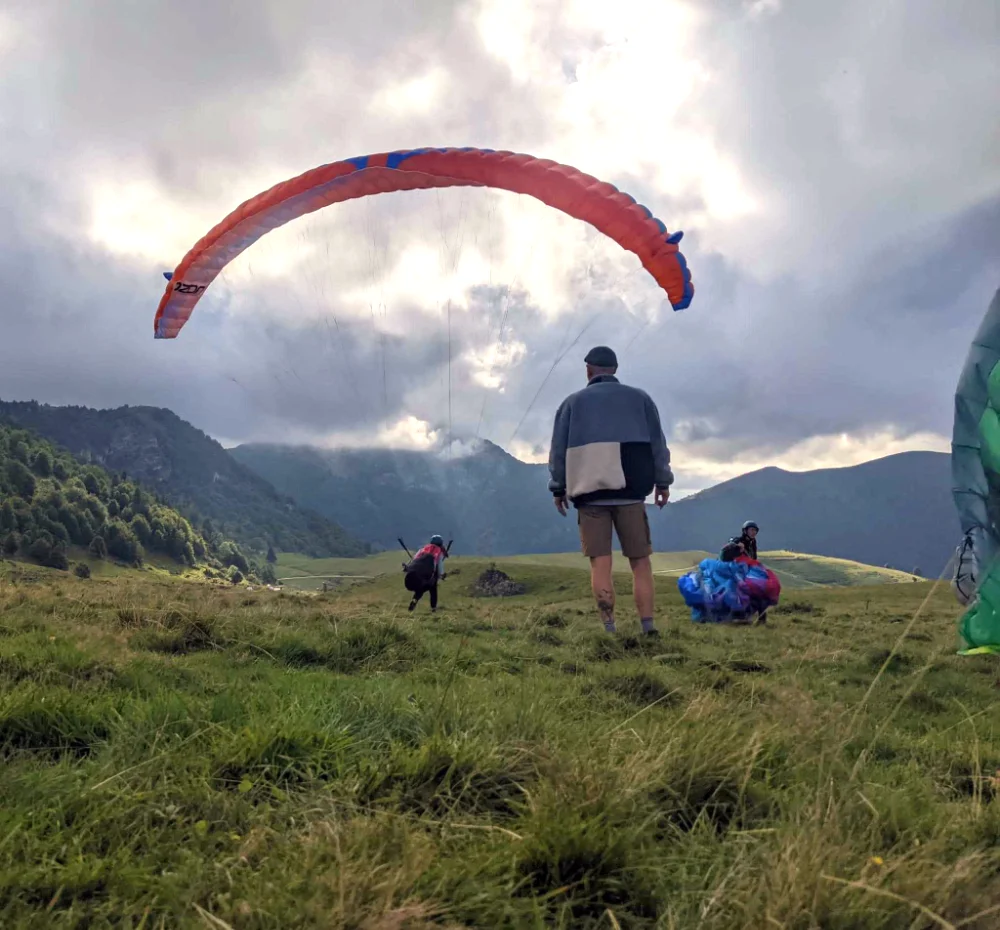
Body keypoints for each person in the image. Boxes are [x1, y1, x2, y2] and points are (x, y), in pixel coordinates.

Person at [548, 345, 672, 636]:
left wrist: (558, 488)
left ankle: (609, 628)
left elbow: (558, 452)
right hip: (631, 492)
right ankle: (648, 627)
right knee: (640, 562)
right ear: (615, 369)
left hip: (590, 494)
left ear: (588, 370)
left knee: (600, 563)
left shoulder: (571, 404)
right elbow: (658, 445)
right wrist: (662, 483)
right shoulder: (641, 399)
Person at [405, 535, 448, 612]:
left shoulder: (423, 549)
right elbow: (439, 564)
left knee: (420, 589)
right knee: (432, 589)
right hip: (429, 575)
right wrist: (441, 575)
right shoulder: (438, 551)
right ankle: (433, 608)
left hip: (416, 573)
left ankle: (414, 601)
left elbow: (415, 559)